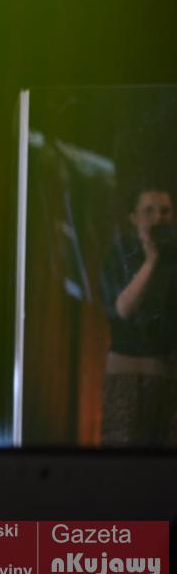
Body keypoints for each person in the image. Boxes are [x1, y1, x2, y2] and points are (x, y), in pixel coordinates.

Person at [99, 185, 177, 446]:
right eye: (149, 211)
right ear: (134, 218)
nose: (158, 218)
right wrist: (150, 261)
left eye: (165, 211)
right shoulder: (121, 252)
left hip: (169, 376)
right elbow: (123, 308)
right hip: (127, 375)